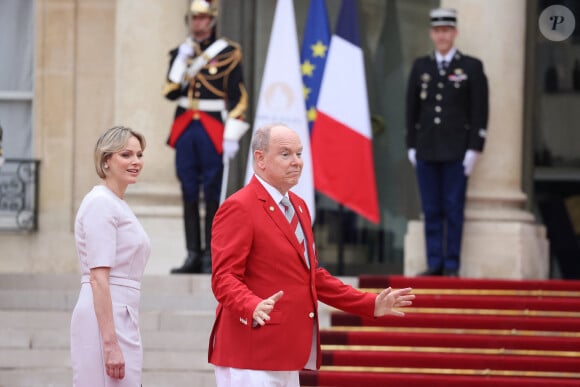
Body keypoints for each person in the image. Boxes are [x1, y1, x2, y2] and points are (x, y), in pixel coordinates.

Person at [208, 124, 415, 386]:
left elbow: (312, 276)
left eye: (299, 153)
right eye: (286, 154)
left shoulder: (299, 206)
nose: (297, 162)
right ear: (260, 159)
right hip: (250, 351)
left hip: (286, 353)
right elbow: (224, 278)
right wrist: (251, 305)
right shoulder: (239, 207)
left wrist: (369, 303)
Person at [164, 0, 249, 274]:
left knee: (213, 192)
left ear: (211, 21)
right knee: (188, 190)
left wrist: (233, 132)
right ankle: (191, 253)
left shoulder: (228, 53)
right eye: (193, 18)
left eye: (202, 18)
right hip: (186, 127)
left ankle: (211, 255)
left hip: (213, 128)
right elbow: (170, 92)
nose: (197, 23)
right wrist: (180, 60)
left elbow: (238, 97)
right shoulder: (182, 53)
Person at [405, 8, 489, 277]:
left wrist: (475, 147)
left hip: (457, 151)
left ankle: (452, 264)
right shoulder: (421, 67)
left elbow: (480, 109)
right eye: (438, 31)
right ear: (432, 33)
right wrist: (411, 144)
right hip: (427, 149)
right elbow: (411, 108)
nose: (442, 36)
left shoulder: (471, 67)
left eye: (447, 31)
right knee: (431, 209)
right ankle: (434, 263)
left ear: (455, 33)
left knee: (453, 209)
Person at [70, 126, 151, 386]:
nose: (135, 162)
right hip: (105, 314)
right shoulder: (100, 203)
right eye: (126, 155)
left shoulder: (116, 203)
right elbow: (98, 278)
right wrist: (109, 342)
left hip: (121, 312)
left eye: (139, 155)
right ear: (106, 160)